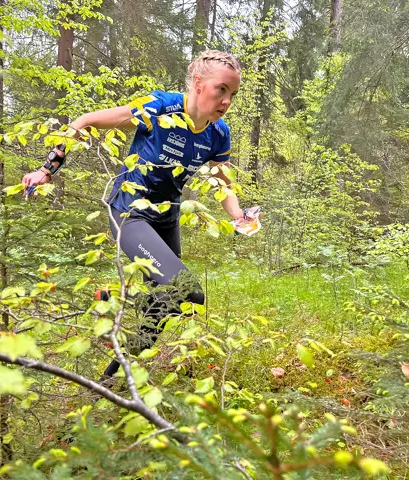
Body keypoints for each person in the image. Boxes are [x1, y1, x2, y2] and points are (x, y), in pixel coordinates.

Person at [22, 50, 248, 382]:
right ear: (199, 83)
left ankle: (113, 380)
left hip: (166, 219)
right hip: (130, 211)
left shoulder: (218, 133)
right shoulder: (160, 107)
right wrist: (47, 169)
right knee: (185, 290)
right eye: (222, 90)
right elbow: (85, 121)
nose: (227, 101)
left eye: (232, 94)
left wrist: (238, 215)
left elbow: (222, 183)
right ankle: (113, 314)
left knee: (170, 302)